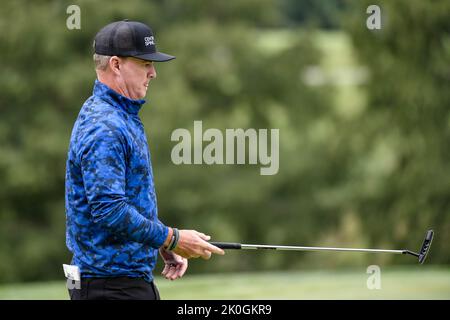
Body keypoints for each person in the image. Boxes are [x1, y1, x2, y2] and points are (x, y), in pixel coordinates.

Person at [65, 20, 224, 300]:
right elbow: (109, 210)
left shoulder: (118, 115)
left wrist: (159, 243)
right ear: (116, 64)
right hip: (110, 287)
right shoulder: (105, 125)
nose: (153, 73)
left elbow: (127, 199)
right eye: (144, 64)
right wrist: (172, 237)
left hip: (119, 282)